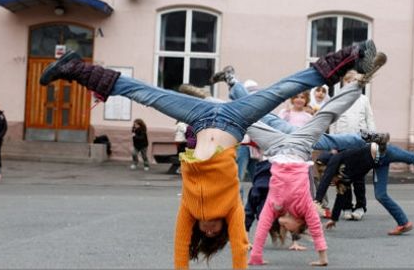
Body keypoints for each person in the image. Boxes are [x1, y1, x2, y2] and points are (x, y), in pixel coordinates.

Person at [40, 40, 381, 269]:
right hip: (236, 120)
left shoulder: (190, 212)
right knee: (283, 89)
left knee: (144, 93)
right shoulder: (231, 210)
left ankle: (75, 68)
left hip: (199, 118)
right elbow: (240, 248)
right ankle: (351, 54)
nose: (207, 223)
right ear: (217, 230)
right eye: (212, 227)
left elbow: (179, 251)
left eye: (205, 227)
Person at [245, 72, 384, 267]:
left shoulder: (275, 205)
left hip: (276, 147)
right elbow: (317, 232)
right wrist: (322, 259)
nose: (283, 227)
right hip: (301, 145)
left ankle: (237, 90)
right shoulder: (305, 206)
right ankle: (359, 83)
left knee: (245, 119)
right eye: (291, 230)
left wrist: (256, 256)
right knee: (327, 115)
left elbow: (262, 228)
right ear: (300, 225)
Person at [316, 139, 414, 235]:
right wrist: (334, 219)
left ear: (330, 167)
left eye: (326, 172)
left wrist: (315, 202)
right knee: (380, 195)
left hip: (384, 151)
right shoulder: (343, 177)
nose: (329, 178)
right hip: (379, 163)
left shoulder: (337, 158)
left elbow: (326, 179)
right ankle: (404, 223)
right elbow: (341, 195)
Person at [328, 69, 377, 221]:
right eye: (349, 81)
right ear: (344, 83)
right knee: (343, 177)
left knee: (359, 177)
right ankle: (346, 206)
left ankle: (360, 206)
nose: (352, 84)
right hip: (343, 142)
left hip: (360, 143)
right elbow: (333, 121)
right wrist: (332, 143)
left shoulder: (363, 99)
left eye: (355, 81)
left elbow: (370, 120)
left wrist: (372, 140)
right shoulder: (339, 99)